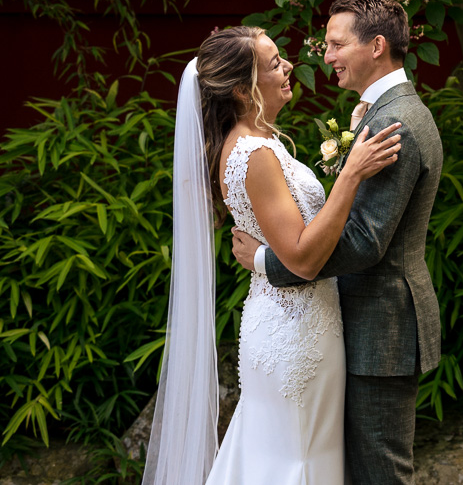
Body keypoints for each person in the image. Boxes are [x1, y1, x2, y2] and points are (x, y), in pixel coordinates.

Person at [142, 24, 402, 485]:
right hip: (296, 331)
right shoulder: (254, 153)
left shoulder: (262, 143)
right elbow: (302, 258)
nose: (288, 68)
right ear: (244, 90)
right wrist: (351, 174)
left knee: (282, 456)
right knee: (296, 461)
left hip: (292, 320)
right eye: (274, 63)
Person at [231, 0, 443, 485]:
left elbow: (366, 241)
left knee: (379, 476)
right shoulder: (383, 112)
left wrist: (269, 263)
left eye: (334, 43)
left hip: (380, 331)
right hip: (362, 326)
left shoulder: (394, 123)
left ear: (375, 46)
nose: (324, 57)